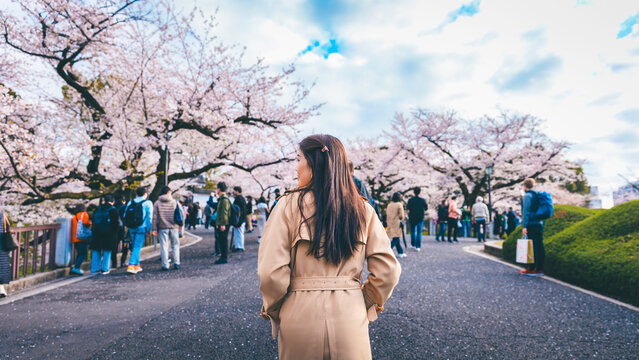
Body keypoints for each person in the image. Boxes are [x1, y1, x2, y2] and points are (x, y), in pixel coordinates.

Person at [258, 134, 401, 359]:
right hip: (350, 314)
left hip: (298, 314)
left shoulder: (285, 206)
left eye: (298, 159)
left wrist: (276, 308)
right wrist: (362, 300)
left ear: (313, 162)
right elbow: (388, 272)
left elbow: (270, 275)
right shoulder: (363, 209)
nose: (296, 168)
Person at [152, 186, 184, 271]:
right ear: (169, 192)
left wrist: (154, 228)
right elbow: (182, 213)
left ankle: (165, 265)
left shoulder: (157, 203)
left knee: (164, 246)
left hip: (162, 227)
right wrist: (181, 225)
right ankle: (177, 263)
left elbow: (154, 217)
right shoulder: (175, 202)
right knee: (175, 245)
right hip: (174, 227)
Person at [124, 187, 153, 274]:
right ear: (145, 194)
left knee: (135, 246)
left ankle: (137, 265)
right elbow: (149, 217)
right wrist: (149, 229)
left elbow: (125, 215)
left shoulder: (130, 202)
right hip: (141, 227)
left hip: (131, 227)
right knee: (137, 247)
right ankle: (131, 265)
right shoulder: (148, 203)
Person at [89, 195, 121, 274]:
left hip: (97, 233)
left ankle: (94, 269)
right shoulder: (113, 210)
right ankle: (105, 269)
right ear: (113, 201)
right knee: (107, 251)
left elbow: (93, 221)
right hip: (109, 234)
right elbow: (116, 224)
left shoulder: (97, 209)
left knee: (96, 251)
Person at [520, 178, 545, 276]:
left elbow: (526, 212)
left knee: (532, 246)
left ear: (525, 186)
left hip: (531, 224)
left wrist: (524, 226)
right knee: (539, 245)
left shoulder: (527, 196)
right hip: (539, 223)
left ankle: (531, 268)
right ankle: (540, 269)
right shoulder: (538, 195)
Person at [70, 204, 92, 275]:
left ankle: (76, 267)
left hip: (75, 237)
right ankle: (76, 268)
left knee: (79, 253)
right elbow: (85, 223)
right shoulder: (84, 214)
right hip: (81, 238)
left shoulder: (75, 216)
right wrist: (91, 224)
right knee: (82, 253)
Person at [214, 182, 232, 264]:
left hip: (224, 223)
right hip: (222, 223)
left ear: (219, 188)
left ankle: (224, 257)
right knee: (221, 240)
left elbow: (224, 212)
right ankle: (223, 256)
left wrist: (223, 224)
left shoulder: (224, 199)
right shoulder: (222, 198)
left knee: (223, 240)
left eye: (217, 188)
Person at [386, 192, 407, 258]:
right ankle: (388, 250)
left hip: (390, 222)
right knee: (396, 238)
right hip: (396, 223)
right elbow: (401, 215)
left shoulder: (389, 205)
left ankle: (400, 252)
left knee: (396, 237)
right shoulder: (399, 204)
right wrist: (402, 218)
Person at [231, 186, 247, 252]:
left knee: (239, 233)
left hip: (239, 219)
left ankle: (240, 247)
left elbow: (238, 210)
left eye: (234, 191)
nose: (233, 192)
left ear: (237, 191)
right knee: (238, 233)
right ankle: (238, 246)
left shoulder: (238, 198)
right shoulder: (242, 198)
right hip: (242, 218)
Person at [1, 212, 12, 296]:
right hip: (2, 245)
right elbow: (8, 228)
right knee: (2, 267)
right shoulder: (3, 216)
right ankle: (1, 290)